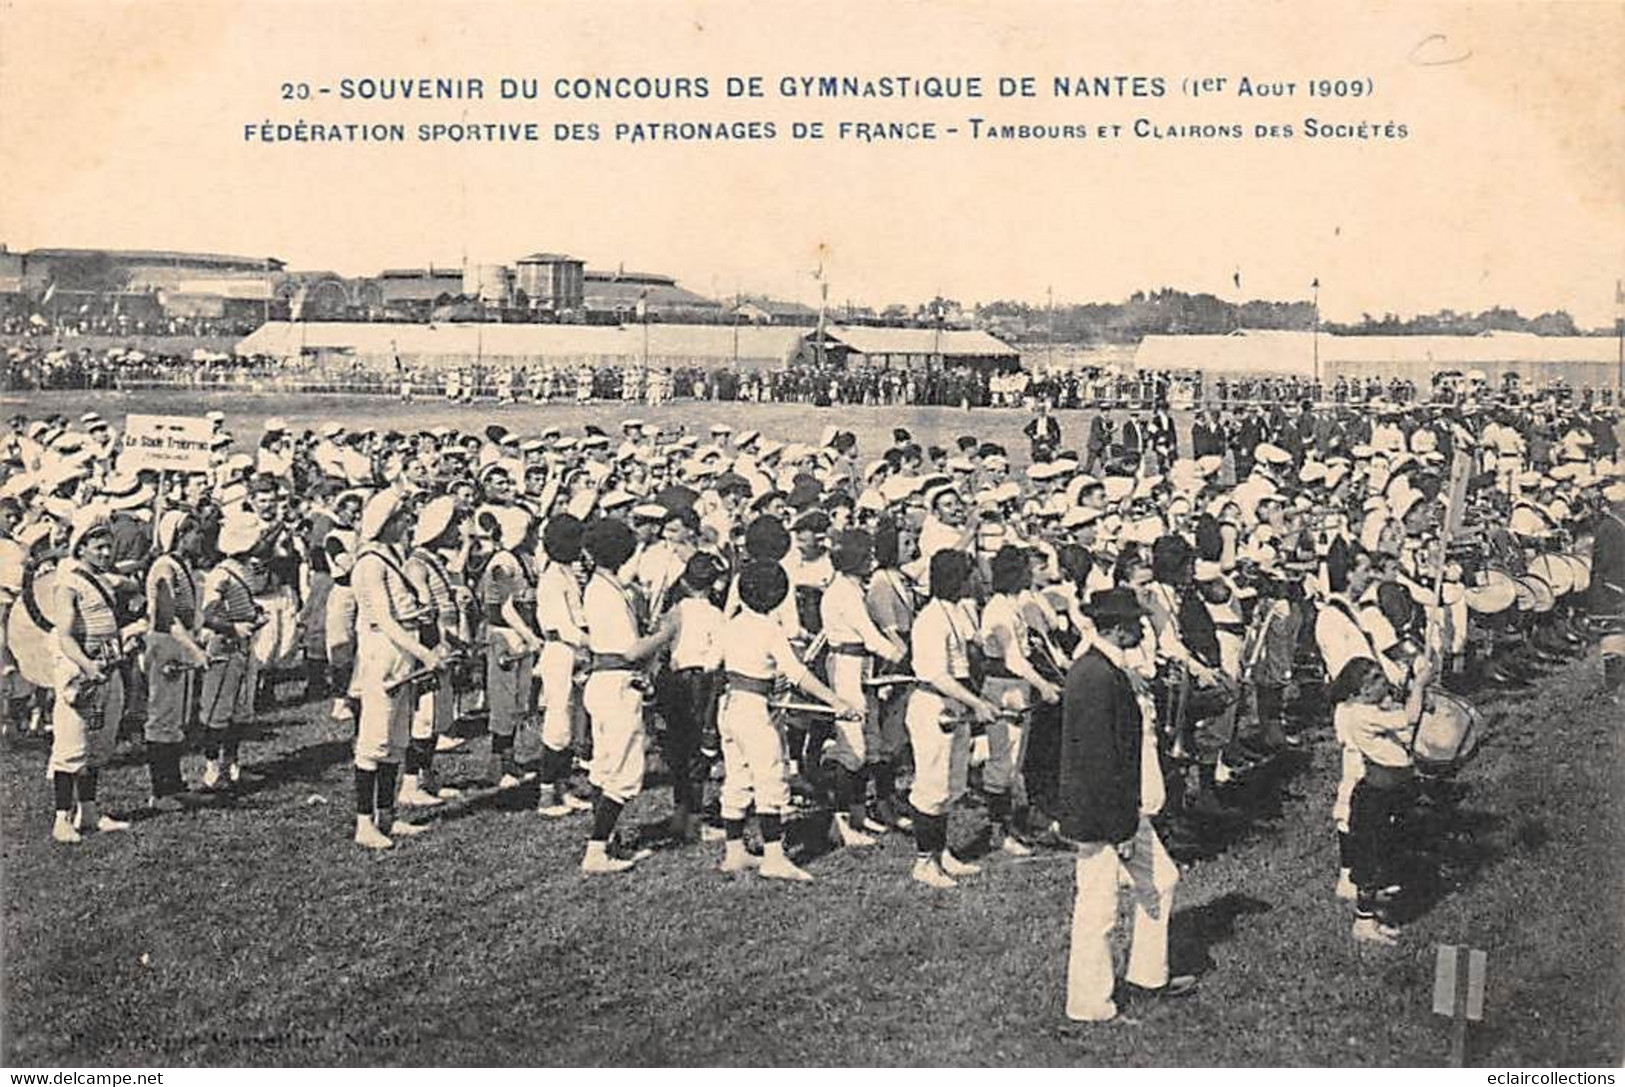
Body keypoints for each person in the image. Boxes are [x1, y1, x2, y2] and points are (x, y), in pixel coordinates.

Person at [1059, 587, 1195, 1023]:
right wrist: (1117, 830)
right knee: (1097, 909)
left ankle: (1148, 976)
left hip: (1118, 808)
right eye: (1136, 622)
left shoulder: (1103, 669)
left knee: (1162, 879)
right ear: (1118, 628)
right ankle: (1089, 1004)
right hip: (1102, 815)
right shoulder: (1096, 677)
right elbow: (1098, 762)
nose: (1142, 628)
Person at [717, 559, 859, 881]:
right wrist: (836, 700)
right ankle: (774, 857)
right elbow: (798, 674)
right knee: (770, 779)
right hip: (754, 711)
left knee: (738, 777)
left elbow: (719, 664)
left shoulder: (732, 624)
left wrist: (763, 677)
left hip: (729, 706)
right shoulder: (770, 628)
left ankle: (734, 851)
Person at [349, 490, 448, 850]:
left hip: (401, 650)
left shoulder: (392, 556)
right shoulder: (370, 562)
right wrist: (424, 653)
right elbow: (384, 621)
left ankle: (387, 815)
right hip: (382, 653)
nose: (409, 523)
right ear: (387, 523)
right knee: (374, 740)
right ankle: (364, 823)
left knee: (396, 740)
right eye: (403, 518)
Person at [905, 549, 998, 889]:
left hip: (954, 707)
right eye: (969, 576)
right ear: (956, 579)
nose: (975, 581)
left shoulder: (956, 612)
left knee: (950, 784)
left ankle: (941, 853)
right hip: (934, 706)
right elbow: (937, 675)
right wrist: (977, 703)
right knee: (931, 784)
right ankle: (923, 862)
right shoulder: (929, 619)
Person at [1327, 655, 1429, 945]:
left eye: (1381, 675)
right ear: (1358, 692)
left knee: (1381, 852)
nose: (1383, 682)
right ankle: (1363, 924)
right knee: (1368, 860)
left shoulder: (1370, 708)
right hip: (1373, 797)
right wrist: (1419, 685)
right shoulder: (1361, 714)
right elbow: (1409, 717)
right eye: (1374, 681)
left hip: (1386, 793)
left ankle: (1372, 917)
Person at [48, 511, 133, 843]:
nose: (105, 553)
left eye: (108, 547)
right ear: (80, 548)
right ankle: (61, 819)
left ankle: (90, 812)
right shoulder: (67, 583)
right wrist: (87, 665)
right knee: (72, 742)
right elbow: (66, 636)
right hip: (80, 671)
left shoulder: (104, 579)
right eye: (97, 547)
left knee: (98, 742)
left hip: (107, 667)